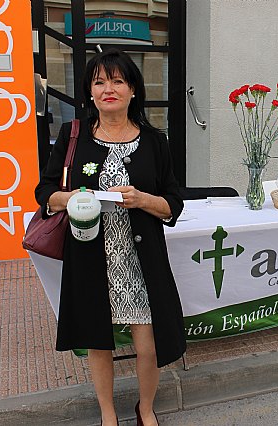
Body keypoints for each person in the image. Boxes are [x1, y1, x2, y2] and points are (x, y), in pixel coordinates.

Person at [35, 48, 185, 426]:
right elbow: (45, 191)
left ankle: (145, 409)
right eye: (99, 82)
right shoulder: (74, 137)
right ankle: (107, 414)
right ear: (89, 91)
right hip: (90, 258)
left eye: (117, 81)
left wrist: (143, 199)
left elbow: (172, 203)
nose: (108, 89)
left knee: (147, 343)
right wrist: (70, 198)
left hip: (139, 260)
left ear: (133, 89)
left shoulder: (154, 141)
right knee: (97, 340)